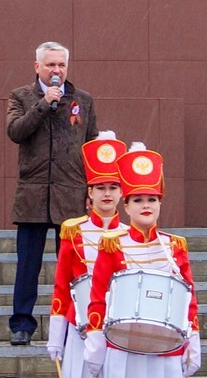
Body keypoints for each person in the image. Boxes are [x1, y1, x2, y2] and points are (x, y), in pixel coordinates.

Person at [8, 42, 99, 345]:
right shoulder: (21, 97)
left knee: (72, 266)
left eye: (61, 65)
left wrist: (92, 188)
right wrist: (44, 103)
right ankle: (22, 324)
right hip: (33, 196)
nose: (56, 70)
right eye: (50, 65)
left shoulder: (82, 101)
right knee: (27, 266)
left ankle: (74, 321)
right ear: (37, 67)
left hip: (70, 195)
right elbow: (16, 132)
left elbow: (92, 147)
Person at [81, 147, 201, 378]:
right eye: (138, 200)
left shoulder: (175, 246)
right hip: (123, 348)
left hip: (167, 349)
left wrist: (193, 340)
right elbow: (98, 299)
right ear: (126, 207)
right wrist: (95, 347)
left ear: (159, 204)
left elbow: (189, 298)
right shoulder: (112, 246)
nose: (146, 205)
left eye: (152, 199)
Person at [46, 132, 129, 378]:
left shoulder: (128, 235)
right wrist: (55, 338)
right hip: (79, 323)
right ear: (89, 193)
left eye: (113, 187)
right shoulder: (74, 231)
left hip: (117, 326)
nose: (107, 193)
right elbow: (61, 286)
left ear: (121, 193)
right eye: (100, 188)